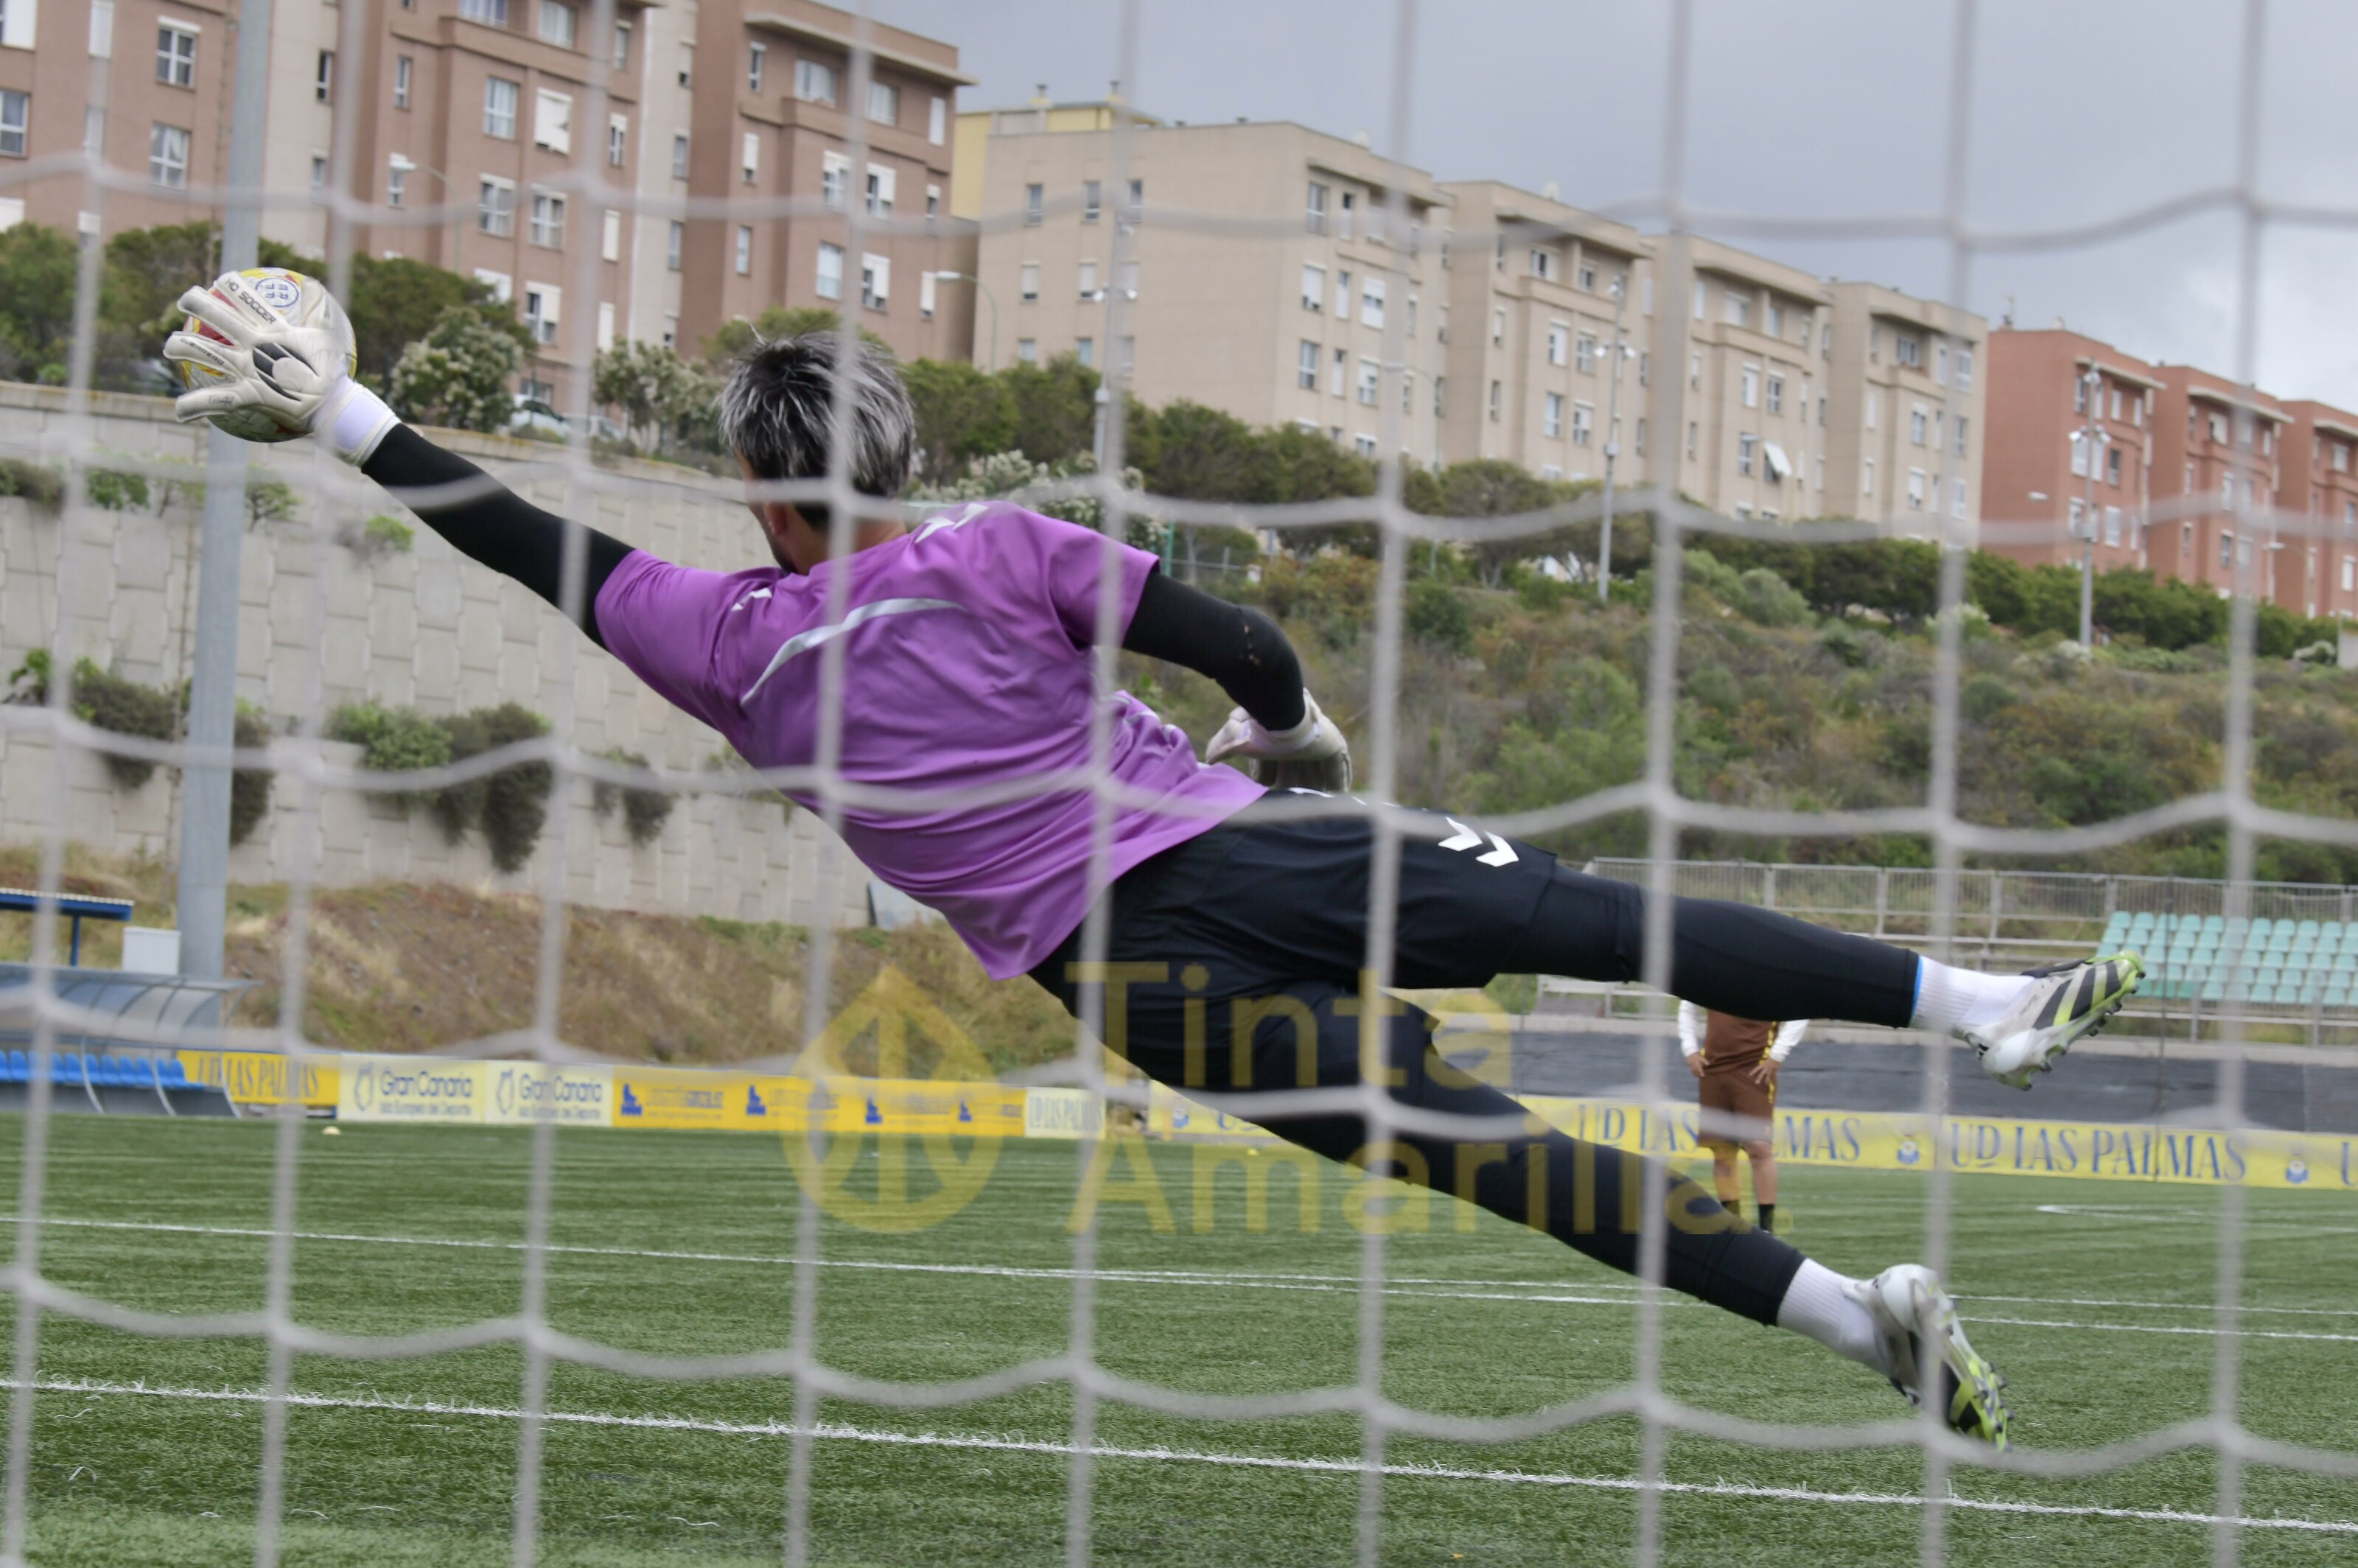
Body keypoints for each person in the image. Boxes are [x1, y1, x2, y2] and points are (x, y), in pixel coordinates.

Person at [164, 277, 2149, 1449]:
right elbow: (1257, 658)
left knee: (1508, 1167)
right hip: (1239, 855)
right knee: (1593, 922)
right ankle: (1983, 1006)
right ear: (903, 450)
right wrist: (1291, 756)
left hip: (1137, 991)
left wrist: (340, 411)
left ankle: (1857, 1324)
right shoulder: (1003, 548)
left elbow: (510, 530)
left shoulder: (724, 641)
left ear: (761, 494)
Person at [1679, 1003, 1804, 1233]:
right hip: (1713, 1069)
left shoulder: (1772, 974)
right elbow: (1687, 1006)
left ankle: (1767, 1230)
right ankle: (1731, 1229)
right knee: (1723, 1152)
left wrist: (1777, 1055)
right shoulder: (1711, 971)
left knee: (1759, 1149)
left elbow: (1801, 1011)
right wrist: (1690, 1050)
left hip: (1755, 1068)